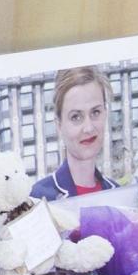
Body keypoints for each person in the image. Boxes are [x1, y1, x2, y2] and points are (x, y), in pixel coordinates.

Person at [29, 65, 118, 200]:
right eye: (76, 117)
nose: (88, 128)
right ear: (59, 125)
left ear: (105, 113)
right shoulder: (39, 198)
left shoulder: (118, 193)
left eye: (95, 112)